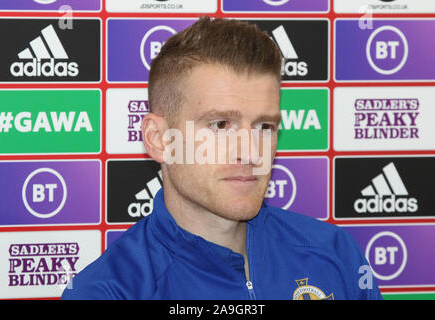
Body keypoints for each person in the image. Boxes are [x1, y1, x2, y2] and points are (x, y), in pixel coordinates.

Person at [61, 17, 382, 300]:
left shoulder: (335, 253)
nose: (250, 152)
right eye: (220, 125)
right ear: (158, 140)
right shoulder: (110, 291)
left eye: (264, 126)